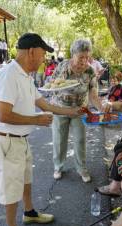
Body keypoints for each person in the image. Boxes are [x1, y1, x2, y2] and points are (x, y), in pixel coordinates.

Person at [0, 33, 82, 226]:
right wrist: (36, 120)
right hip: (6, 141)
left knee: (25, 180)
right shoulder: (9, 74)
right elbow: (3, 115)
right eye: (42, 54)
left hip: (19, 140)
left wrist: (72, 111)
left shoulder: (25, 77)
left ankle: (29, 213)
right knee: (11, 189)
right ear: (31, 52)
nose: (43, 59)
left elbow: (44, 103)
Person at [51, 39, 103, 182]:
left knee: (80, 140)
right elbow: (51, 84)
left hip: (79, 110)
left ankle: (81, 169)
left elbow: (93, 94)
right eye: (81, 57)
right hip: (60, 109)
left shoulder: (90, 71)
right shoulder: (62, 66)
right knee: (59, 140)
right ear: (73, 54)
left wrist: (102, 109)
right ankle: (58, 166)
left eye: (87, 57)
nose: (84, 60)